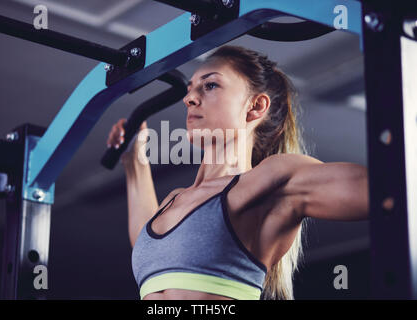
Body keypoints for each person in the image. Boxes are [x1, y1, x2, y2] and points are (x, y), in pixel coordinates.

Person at [106, 45, 369, 300]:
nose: (189, 98)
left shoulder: (270, 181)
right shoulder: (174, 201)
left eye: (210, 85)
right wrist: (135, 161)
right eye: (190, 89)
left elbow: (386, 190)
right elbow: (150, 243)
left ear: (255, 107)